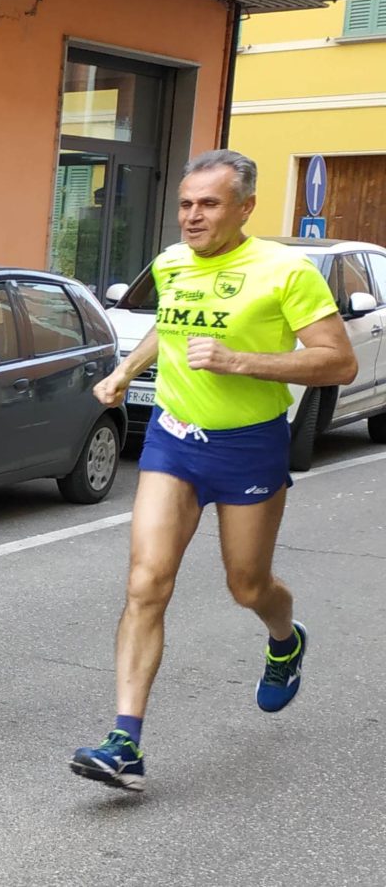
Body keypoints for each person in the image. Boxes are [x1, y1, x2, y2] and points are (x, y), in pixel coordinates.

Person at [69, 150, 358, 790]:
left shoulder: (286, 272)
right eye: (185, 204)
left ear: (246, 208)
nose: (192, 217)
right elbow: (169, 331)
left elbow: (339, 363)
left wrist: (241, 361)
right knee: (146, 583)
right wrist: (123, 371)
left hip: (249, 446)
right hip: (174, 442)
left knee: (247, 586)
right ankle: (125, 741)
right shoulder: (171, 263)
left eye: (209, 204)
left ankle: (285, 639)